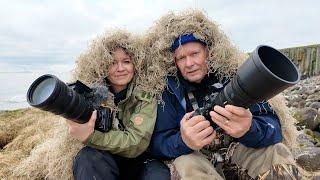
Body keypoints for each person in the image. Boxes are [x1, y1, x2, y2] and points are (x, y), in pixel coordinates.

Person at [147, 10, 302, 179]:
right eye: (181, 58)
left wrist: (249, 128)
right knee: (186, 164)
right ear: (174, 62)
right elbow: (156, 144)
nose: (189, 63)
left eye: (194, 54)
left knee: (276, 152)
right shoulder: (168, 90)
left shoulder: (235, 76)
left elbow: (274, 129)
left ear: (208, 51)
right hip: (197, 158)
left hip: (237, 152)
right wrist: (183, 141)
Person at [68, 30, 170, 180]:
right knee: (86, 159)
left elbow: (136, 143)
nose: (120, 68)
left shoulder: (146, 94)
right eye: (112, 63)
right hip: (105, 156)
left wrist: (90, 136)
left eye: (126, 61)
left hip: (142, 159)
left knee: (158, 176)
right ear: (103, 66)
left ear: (135, 65)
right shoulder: (91, 94)